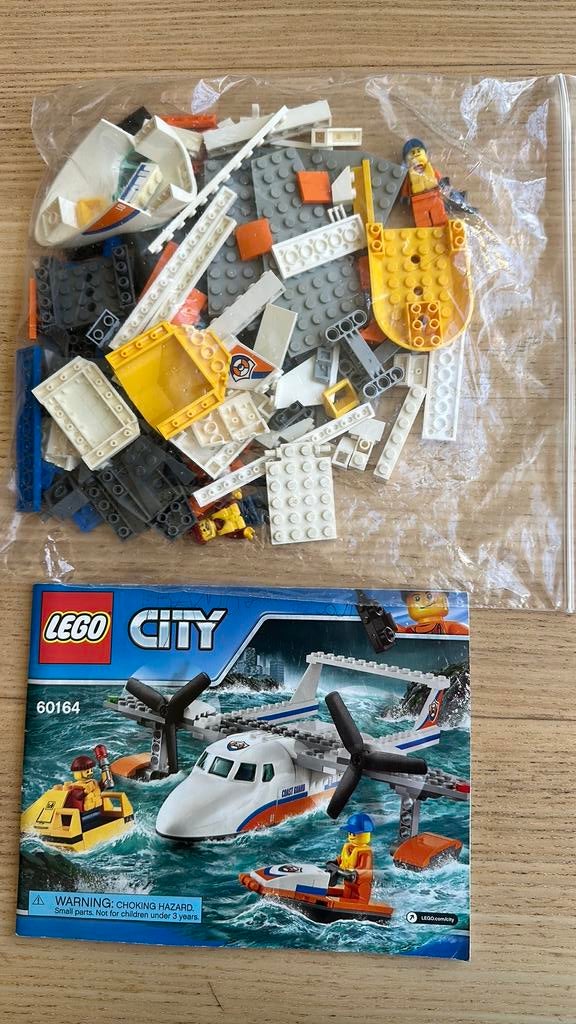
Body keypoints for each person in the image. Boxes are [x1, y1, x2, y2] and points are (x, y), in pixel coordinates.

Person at [325, 812, 375, 902]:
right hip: (348, 884)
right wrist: (334, 863)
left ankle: (358, 904)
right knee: (346, 894)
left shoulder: (365, 853)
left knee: (360, 897)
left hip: (360, 887)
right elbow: (342, 860)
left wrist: (352, 874)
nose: (351, 836)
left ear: (365, 835)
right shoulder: (349, 848)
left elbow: (364, 870)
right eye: (350, 833)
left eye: (354, 834)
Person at [401, 139, 448, 228]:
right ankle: (424, 232)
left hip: (434, 196)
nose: (416, 154)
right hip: (418, 200)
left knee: (438, 214)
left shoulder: (431, 170)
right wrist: (404, 197)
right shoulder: (410, 176)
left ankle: (442, 228)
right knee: (422, 220)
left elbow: (438, 178)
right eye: (412, 154)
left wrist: (443, 184)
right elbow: (406, 187)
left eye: (419, 152)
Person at [397, 590, 469, 635]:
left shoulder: (450, 626)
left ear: (445, 600)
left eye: (429, 596)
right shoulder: (409, 630)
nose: (424, 601)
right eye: (417, 598)